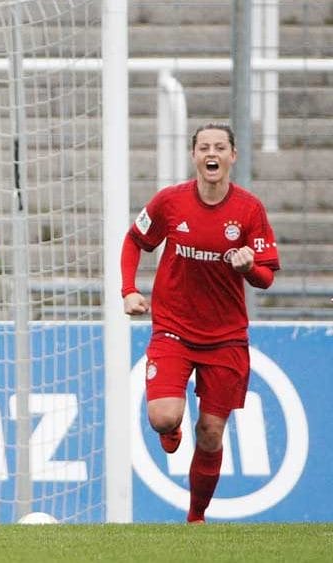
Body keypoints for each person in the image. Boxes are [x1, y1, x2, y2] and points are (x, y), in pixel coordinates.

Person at [120, 122, 280, 524]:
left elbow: (266, 276)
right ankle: (169, 428)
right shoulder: (170, 202)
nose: (213, 153)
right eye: (204, 146)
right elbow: (134, 240)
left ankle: (196, 518)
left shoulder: (249, 210)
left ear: (232, 156)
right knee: (164, 417)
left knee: (210, 432)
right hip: (173, 328)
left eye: (220, 147)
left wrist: (248, 268)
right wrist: (128, 289)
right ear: (194, 155)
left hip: (225, 337)